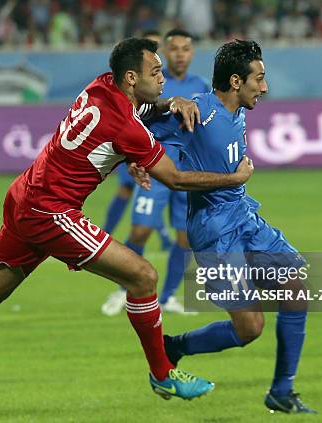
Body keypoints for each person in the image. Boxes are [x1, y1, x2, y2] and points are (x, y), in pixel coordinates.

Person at [0, 37, 255, 401]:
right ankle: (163, 374)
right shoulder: (126, 127)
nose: (164, 78)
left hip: (24, 193)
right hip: (50, 210)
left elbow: (138, 114)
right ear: (131, 77)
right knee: (143, 276)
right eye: (156, 72)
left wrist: (168, 105)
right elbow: (175, 178)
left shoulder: (101, 85)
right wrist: (233, 178)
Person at [150, 40, 317, 413]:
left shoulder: (237, 109)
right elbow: (136, 127)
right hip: (213, 230)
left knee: (295, 289)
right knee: (249, 328)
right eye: (260, 79)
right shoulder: (197, 112)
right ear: (237, 81)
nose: (265, 87)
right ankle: (174, 347)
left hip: (243, 216)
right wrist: (137, 152)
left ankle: (282, 392)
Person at [101, 29, 209, 316]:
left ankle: (169, 297)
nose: (180, 54)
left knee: (185, 237)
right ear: (165, 52)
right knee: (140, 230)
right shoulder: (151, 84)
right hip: (155, 171)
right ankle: (124, 290)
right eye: (174, 49)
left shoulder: (202, 87)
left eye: (186, 49)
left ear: (192, 52)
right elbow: (131, 122)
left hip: (187, 174)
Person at [102, 29, 173, 251]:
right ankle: (106, 233)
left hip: (160, 155)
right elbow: (138, 114)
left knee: (188, 235)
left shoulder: (160, 81)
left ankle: (163, 241)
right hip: (137, 152)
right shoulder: (128, 98)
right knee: (130, 194)